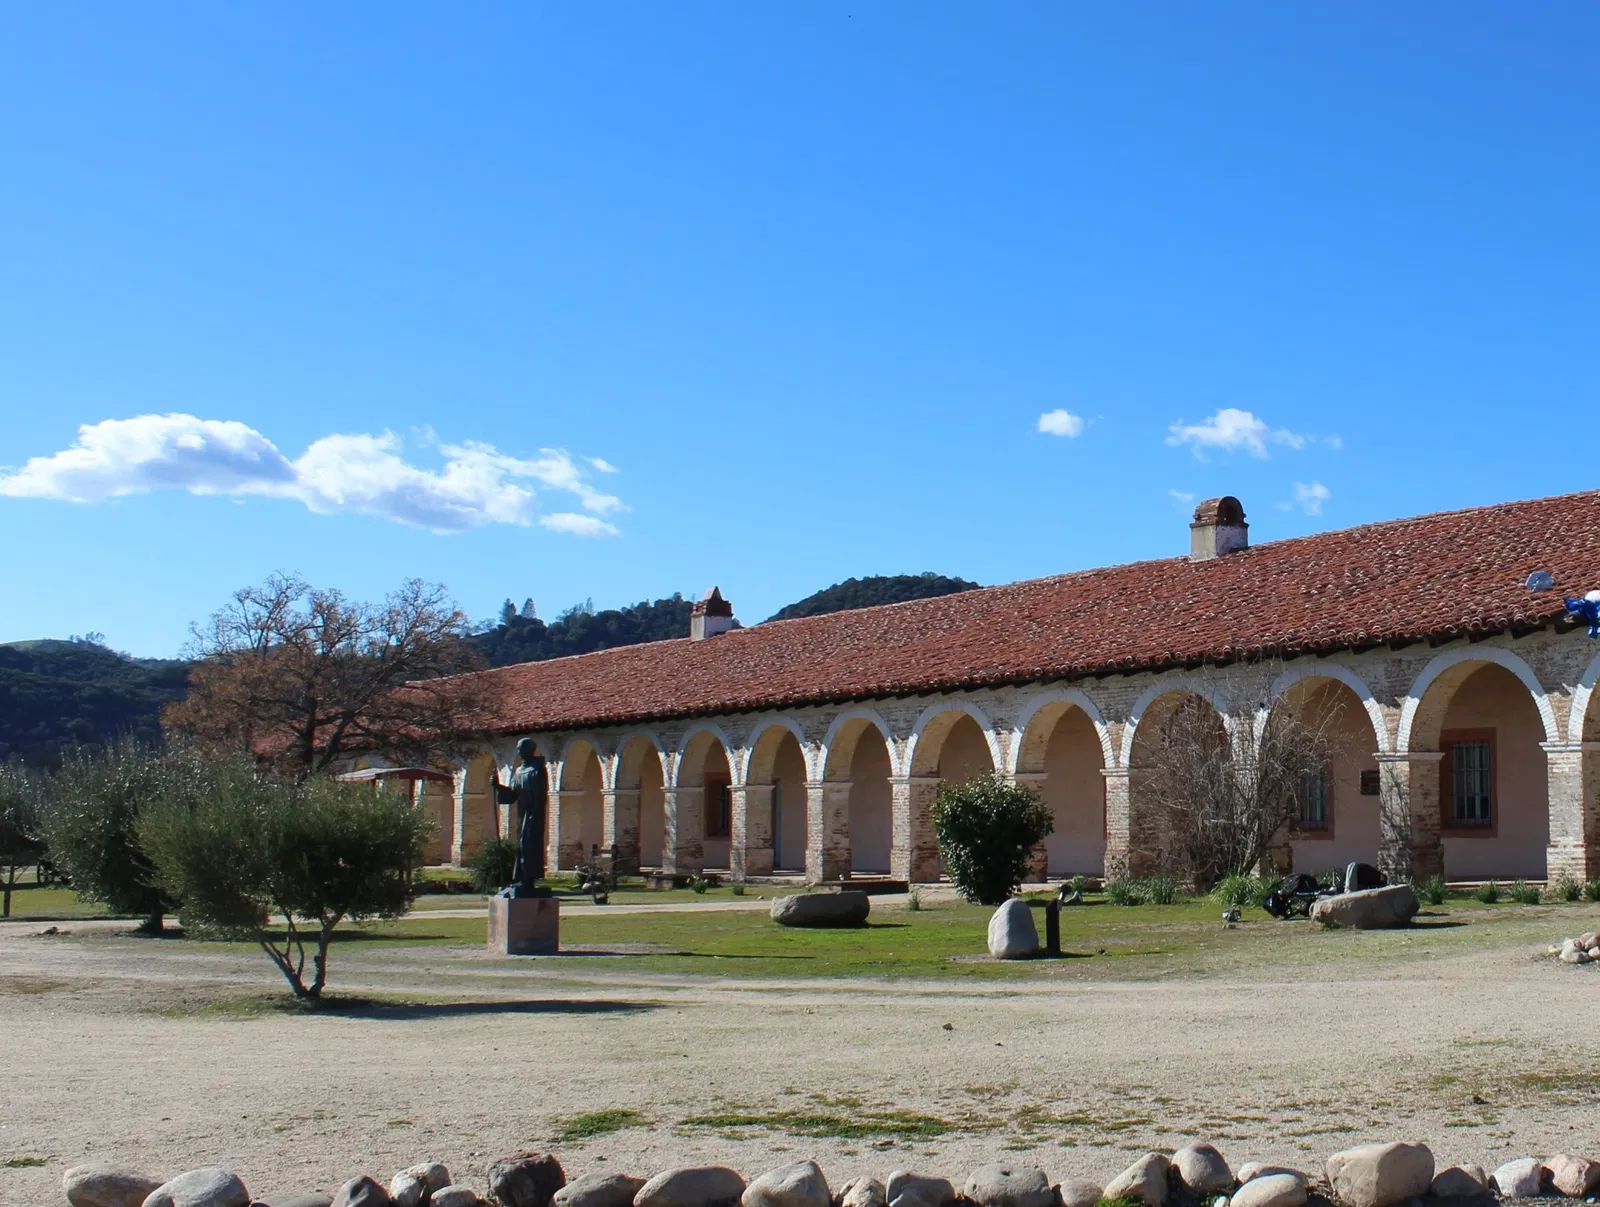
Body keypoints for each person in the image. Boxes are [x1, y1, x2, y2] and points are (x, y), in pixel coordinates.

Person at [488, 737, 549, 896]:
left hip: (533, 815)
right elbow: (512, 795)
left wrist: (535, 815)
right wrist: (498, 787)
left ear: (530, 750)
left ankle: (529, 880)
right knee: (521, 847)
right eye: (517, 748)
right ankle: (521, 878)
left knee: (529, 845)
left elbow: (541, 795)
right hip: (522, 815)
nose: (518, 752)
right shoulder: (519, 771)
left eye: (521, 748)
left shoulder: (537, 769)